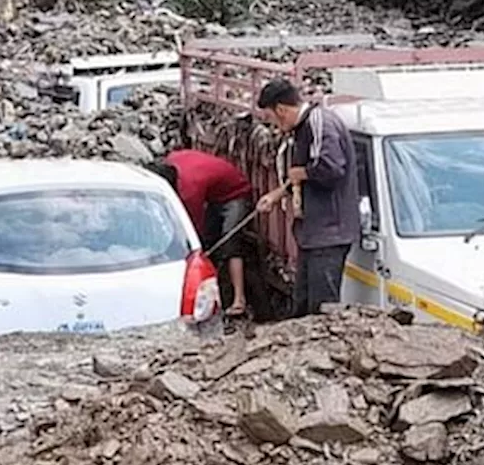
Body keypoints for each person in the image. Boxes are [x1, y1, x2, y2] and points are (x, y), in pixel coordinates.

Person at [255, 78, 359, 317]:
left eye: (271, 118)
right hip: (311, 232)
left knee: (322, 308)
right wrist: (278, 194)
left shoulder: (319, 123)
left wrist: (302, 172)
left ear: (281, 110)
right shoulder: (301, 128)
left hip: (329, 232)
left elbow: (332, 168)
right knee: (302, 303)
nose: (274, 126)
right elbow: (302, 178)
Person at [145, 150, 254, 316]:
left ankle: (239, 300)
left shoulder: (190, 190)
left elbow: (192, 232)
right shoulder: (172, 161)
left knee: (231, 243)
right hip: (214, 195)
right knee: (211, 243)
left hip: (236, 192)